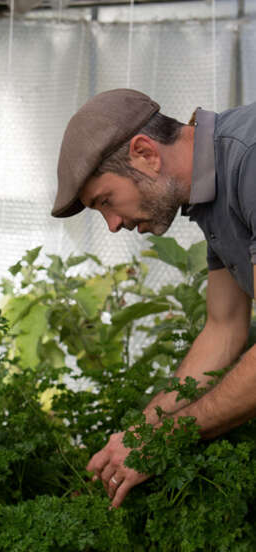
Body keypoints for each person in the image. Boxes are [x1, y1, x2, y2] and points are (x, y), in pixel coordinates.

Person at [51, 88, 256, 508]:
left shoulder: (249, 161)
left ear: (145, 153)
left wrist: (167, 437)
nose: (111, 225)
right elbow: (224, 327)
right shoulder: (211, 193)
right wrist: (142, 431)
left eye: (105, 201)